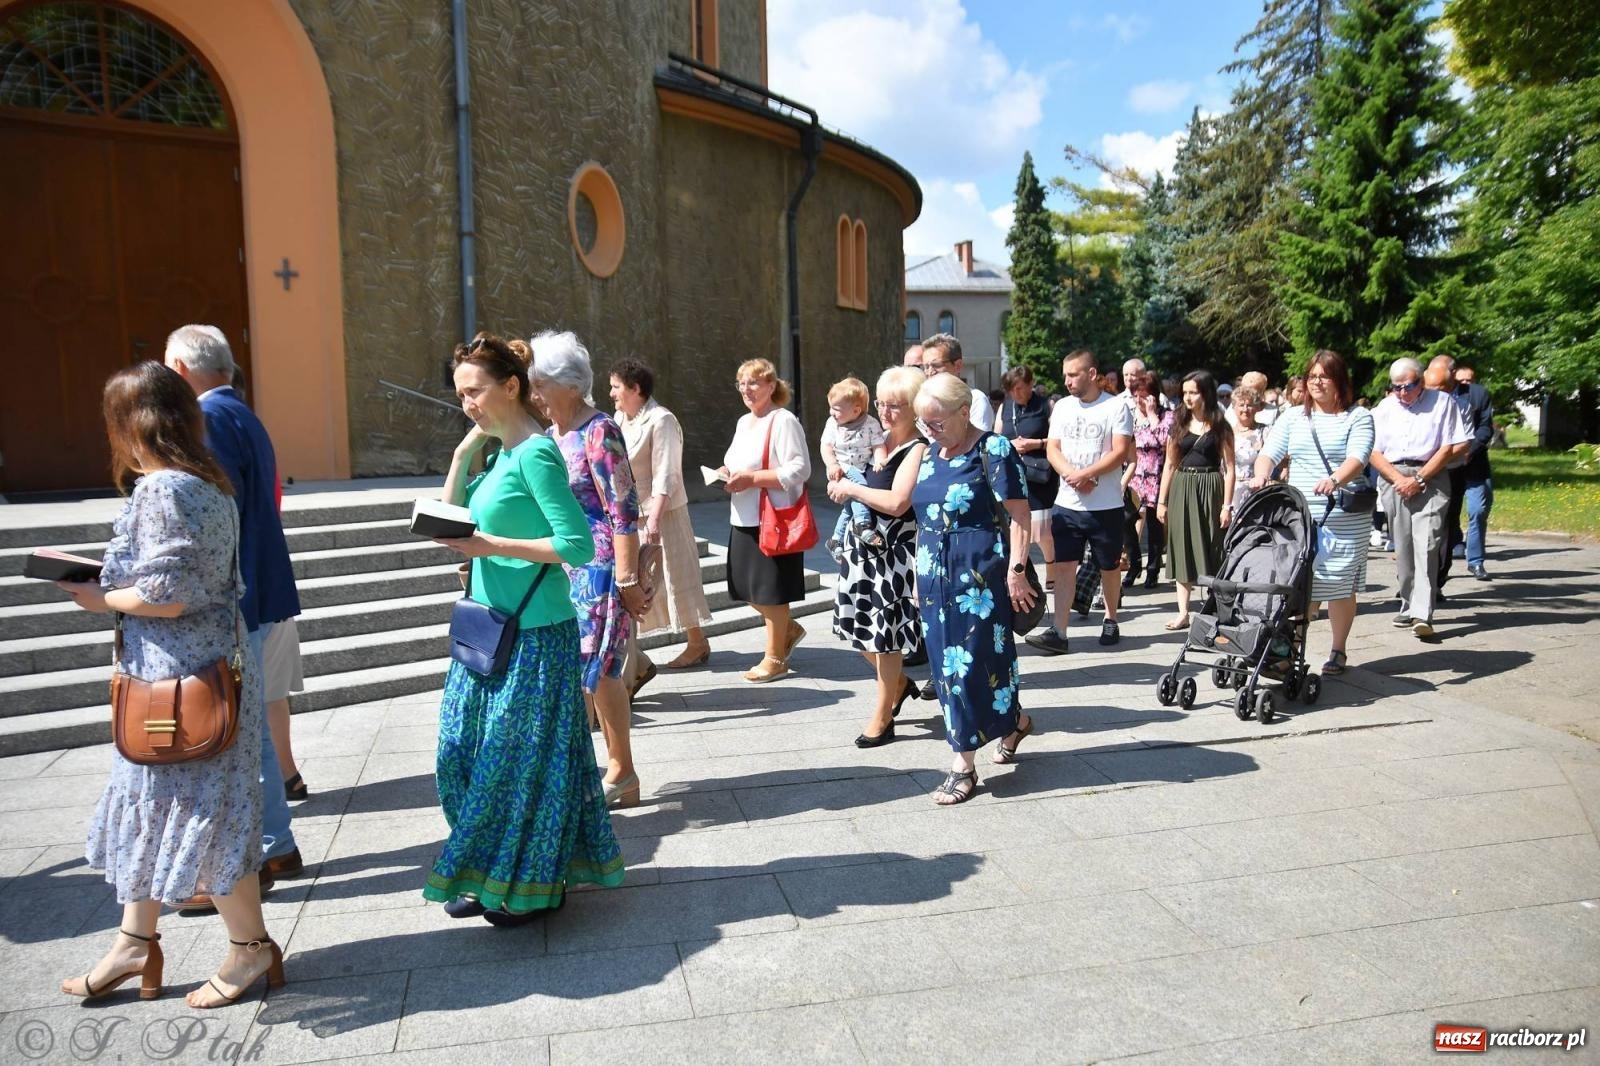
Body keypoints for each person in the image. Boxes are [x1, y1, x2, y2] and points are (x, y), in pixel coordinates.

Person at [57, 361, 282, 1009]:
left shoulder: (161, 489)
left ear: (128, 426)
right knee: (165, 806)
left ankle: (249, 947)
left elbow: (168, 594)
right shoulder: (208, 484)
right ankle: (134, 942)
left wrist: (101, 598)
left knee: (198, 812)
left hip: (177, 682)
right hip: (206, 674)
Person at [428, 332, 622, 924]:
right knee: (459, 754)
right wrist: (462, 455)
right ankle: (485, 868)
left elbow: (577, 544)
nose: (468, 404)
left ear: (511, 386)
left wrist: (491, 545)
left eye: (475, 391)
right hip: (486, 628)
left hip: (535, 633)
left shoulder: (536, 454)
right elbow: (452, 517)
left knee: (518, 767)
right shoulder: (495, 455)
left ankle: (532, 883)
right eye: (460, 395)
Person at [164, 326, 302, 911]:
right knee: (250, 726)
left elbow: (217, 519)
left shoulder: (210, 419)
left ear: (179, 367)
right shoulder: (239, 411)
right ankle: (274, 845)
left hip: (237, 596)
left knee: (242, 731)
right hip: (255, 588)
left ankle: (268, 847)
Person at [530, 331, 648, 808]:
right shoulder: (549, 437)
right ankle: (594, 771)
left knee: (597, 669)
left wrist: (627, 579)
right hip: (561, 566)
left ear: (572, 385)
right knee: (582, 671)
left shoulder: (599, 430)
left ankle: (617, 770)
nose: (534, 395)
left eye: (541, 385)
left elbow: (623, 509)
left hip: (597, 568)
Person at [911, 372, 1036, 805]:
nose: (930, 430)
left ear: (964, 412)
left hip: (979, 576)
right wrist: (918, 574)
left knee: (971, 663)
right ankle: (1015, 722)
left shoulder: (994, 449)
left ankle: (962, 764)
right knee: (945, 670)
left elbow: (1021, 516)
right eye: (924, 423)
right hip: (933, 575)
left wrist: (1017, 571)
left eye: (937, 422)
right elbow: (924, 520)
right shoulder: (929, 453)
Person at [1251, 350, 1375, 674]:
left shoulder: (1357, 417)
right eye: (1312, 376)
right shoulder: (1294, 417)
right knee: (1299, 583)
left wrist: (1335, 480)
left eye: (1324, 376)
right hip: (1301, 515)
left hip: (1343, 515)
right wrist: (1262, 474)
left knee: (1339, 585)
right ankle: (1288, 651)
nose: (1317, 382)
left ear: (1340, 381)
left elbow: (1358, 457)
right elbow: (1269, 453)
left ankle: (1338, 649)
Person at [827, 366, 930, 746]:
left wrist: (851, 491)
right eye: (882, 403)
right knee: (862, 635)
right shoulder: (877, 438)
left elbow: (897, 502)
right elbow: (839, 461)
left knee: (885, 640)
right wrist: (839, 480)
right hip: (864, 555)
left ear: (915, 408)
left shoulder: (917, 448)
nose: (885, 412)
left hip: (892, 558)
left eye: (895, 405)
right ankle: (899, 684)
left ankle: (883, 715)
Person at [609, 359, 714, 673]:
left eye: (616, 387)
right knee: (635, 580)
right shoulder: (620, 418)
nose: (611, 393)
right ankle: (633, 653)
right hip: (629, 513)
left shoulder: (662, 419)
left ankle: (697, 642)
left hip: (661, 512)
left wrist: (654, 518)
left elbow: (667, 472)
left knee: (675, 576)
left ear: (635, 388)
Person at [1028, 349, 1133, 655]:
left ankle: (1111, 619)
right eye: (1065, 375)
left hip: (1106, 505)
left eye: (1073, 374)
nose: (1067, 381)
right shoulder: (1062, 407)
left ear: (1091, 374)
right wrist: (1072, 475)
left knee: (1109, 566)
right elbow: (1053, 449)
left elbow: (1120, 451)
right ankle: (1059, 631)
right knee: (1064, 566)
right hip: (1068, 504)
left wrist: (1089, 474)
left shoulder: (1116, 406)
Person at [718, 357, 812, 683]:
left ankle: (775, 658)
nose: (746, 389)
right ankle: (786, 629)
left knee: (771, 591)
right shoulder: (744, 422)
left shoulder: (783, 420)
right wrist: (726, 472)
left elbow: (800, 468)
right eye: (741, 383)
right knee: (744, 586)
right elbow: (738, 462)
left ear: (771, 386)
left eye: (753, 382)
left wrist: (753, 479)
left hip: (772, 518)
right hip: (743, 515)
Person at [1370, 357, 1470, 638]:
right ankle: (1407, 603)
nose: (1402, 392)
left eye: (1409, 386)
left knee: (1427, 544)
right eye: (1396, 387)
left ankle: (1422, 612)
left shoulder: (1442, 402)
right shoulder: (1384, 408)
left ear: (1421, 381)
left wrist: (1419, 479)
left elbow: (1448, 447)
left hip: (1431, 476)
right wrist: (1398, 480)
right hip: (1393, 477)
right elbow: (1373, 452)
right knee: (1402, 545)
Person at [1156, 370, 1235, 631]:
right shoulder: (1178, 423)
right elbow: (1169, 464)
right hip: (1182, 485)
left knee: (1213, 544)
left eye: (1193, 392)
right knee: (1182, 546)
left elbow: (1230, 468)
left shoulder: (1221, 426)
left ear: (1206, 393)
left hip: (1210, 486)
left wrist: (1227, 505)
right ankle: (1183, 612)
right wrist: (1162, 501)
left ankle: (1217, 608)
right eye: (1185, 393)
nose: (1188, 398)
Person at [1426, 355, 1495, 582]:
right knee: (1446, 517)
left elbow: (1485, 428)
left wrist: (1468, 451)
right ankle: (1443, 565)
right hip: (1445, 467)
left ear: (1452, 374)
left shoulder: (1476, 394)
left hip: (1474, 465)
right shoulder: (1427, 396)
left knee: (1478, 511)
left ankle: (1475, 561)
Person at [998, 365, 1058, 584]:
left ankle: (1051, 565)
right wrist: (1010, 445)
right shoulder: (1005, 407)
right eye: (1011, 390)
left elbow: (1059, 440)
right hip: (1013, 473)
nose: (1016, 393)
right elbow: (996, 438)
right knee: (1017, 526)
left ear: (1031, 384)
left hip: (1039, 475)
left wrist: (1036, 443)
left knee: (1042, 530)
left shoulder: (1045, 406)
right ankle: (1020, 571)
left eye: (1020, 388)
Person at [821, 376, 888, 559]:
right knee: (860, 489)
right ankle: (862, 524)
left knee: (850, 507)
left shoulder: (871, 424)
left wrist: (880, 460)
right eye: (831, 407)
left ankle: (836, 539)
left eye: (836, 409)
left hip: (861, 468)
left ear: (856, 410)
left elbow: (878, 445)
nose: (831, 413)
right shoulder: (832, 424)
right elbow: (826, 447)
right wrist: (832, 464)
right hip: (842, 468)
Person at [1123, 366, 1172, 590]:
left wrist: (1152, 415)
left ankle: (1153, 569)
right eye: (1136, 396)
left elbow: (1164, 441)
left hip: (1156, 477)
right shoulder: (1130, 416)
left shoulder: (1165, 416)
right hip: (1133, 477)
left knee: (1154, 527)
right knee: (1125, 521)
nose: (1139, 401)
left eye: (1143, 396)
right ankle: (1134, 563)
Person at [920, 333, 994, 431]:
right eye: (926, 367)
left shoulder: (975, 400)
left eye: (937, 365)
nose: (930, 372)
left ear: (958, 366)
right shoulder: (923, 402)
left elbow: (979, 439)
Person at [1229, 384, 1268, 519]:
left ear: (1256, 408)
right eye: (1241, 405)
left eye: (1249, 405)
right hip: (1231, 492)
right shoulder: (1227, 433)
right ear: (1234, 407)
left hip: (1257, 491)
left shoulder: (1265, 432)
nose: (1245, 409)